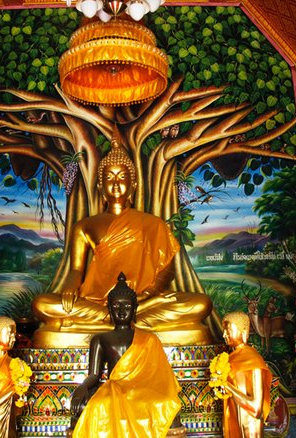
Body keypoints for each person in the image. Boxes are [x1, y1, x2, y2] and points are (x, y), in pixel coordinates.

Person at [31, 138, 212, 346]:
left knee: (201, 304)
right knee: (42, 304)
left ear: (133, 185)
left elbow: (167, 270)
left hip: (142, 301)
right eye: (109, 178)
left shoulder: (152, 223)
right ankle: (124, 321)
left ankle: (113, 322)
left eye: (122, 177)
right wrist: (70, 287)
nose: (116, 183)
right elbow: (76, 270)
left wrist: (147, 296)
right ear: (100, 185)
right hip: (97, 302)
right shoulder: (85, 226)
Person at [70, 273, 181, 438]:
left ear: (135, 309)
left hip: (143, 388)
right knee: (99, 404)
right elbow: (94, 375)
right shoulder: (100, 339)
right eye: (116, 307)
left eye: (127, 306)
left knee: (164, 404)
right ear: (108, 309)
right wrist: (82, 387)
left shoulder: (149, 339)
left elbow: (160, 375)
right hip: (113, 389)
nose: (121, 311)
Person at [221, 312, 272, 438]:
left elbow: (256, 408)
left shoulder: (253, 360)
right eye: (223, 331)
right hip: (234, 422)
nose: (224, 335)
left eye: (228, 331)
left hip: (250, 428)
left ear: (243, 332)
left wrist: (226, 386)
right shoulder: (230, 359)